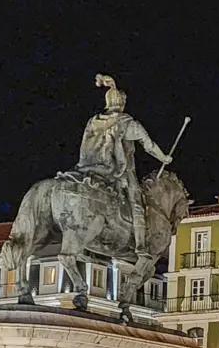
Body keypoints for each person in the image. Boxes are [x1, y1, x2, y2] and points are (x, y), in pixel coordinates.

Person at [73, 74, 173, 260]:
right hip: (118, 172)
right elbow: (148, 144)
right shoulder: (126, 123)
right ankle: (141, 246)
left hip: (90, 169)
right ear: (122, 102)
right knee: (137, 204)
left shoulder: (94, 121)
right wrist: (164, 158)